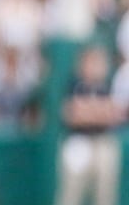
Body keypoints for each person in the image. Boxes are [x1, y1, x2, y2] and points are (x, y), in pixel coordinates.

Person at [55, 43, 125, 205]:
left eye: (98, 62)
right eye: (90, 61)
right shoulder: (73, 86)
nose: (94, 67)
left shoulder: (108, 87)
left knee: (105, 195)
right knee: (71, 195)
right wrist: (98, 111)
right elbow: (72, 114)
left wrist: (89, 110)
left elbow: (114, 114)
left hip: (103, 141)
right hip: (78, 142)